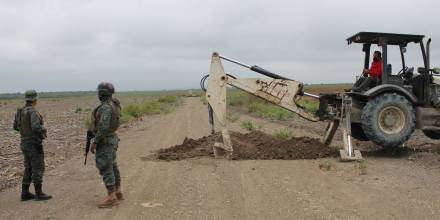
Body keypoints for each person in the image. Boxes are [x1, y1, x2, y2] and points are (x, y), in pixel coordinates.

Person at [13, 90, 52, 201]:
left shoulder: (20, 111)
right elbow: (36, 127)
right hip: (34, 143)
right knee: (38, 167)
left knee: (28, 167)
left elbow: (15, 127)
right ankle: (39, 193)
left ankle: (25, 193)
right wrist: (44, 128)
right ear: (35, 99)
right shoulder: (32, 111)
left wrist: (25, 131)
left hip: (24, 143)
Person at [89, 82, 123, 208]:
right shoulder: (114, 104)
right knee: (113, 166)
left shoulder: (105, 107)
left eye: (99, 92)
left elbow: (103, 127)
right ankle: (118, 190)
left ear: (102, 93)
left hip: (105, 141)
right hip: (112, 139)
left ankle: (111, 197)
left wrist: (95, 142)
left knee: (106, 167)